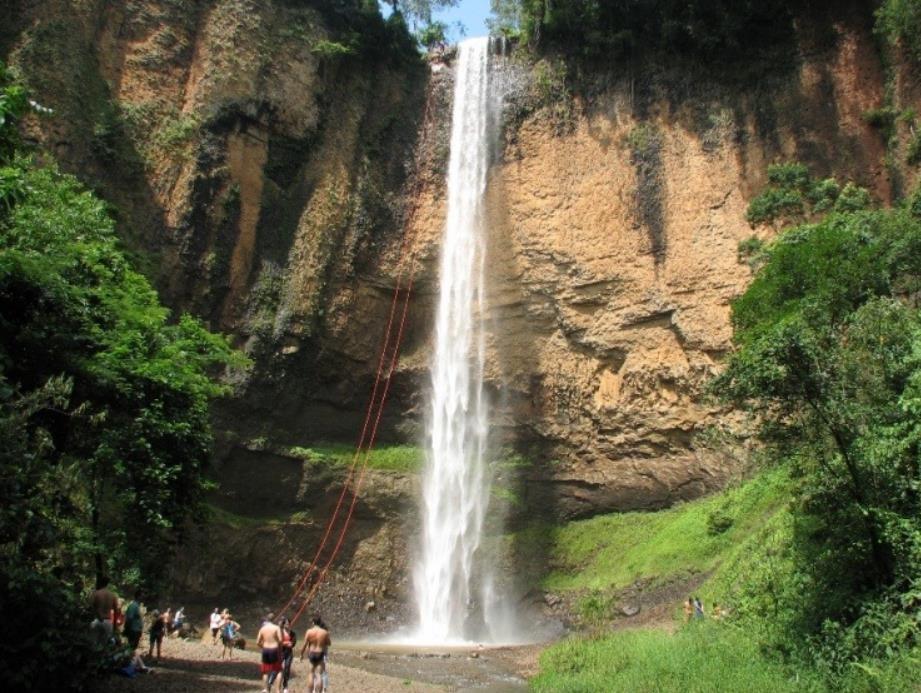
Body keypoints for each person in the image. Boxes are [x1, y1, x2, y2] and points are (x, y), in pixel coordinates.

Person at [300, 614, 331, 693]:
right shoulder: (324, 632)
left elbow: (304, 644)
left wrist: (301, 654)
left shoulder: (309, 631)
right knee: (319, 674)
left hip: (312, 653)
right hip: (320, 652)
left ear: (313, 622)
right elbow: (329, 643)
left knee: (311, 673)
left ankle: (310, 691)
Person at [257, 612, 283, 693]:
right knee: (278, 670)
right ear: (274, 619)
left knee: (265, 671)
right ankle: (277, 690)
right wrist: (279, 648)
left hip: (265, 650)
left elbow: (258, 642)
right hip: (274, 649)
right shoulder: (276, 628)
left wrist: (263, 647)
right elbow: (281, 640)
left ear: (267, 619)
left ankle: (267, 690)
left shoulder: (262, 629)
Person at [90, 576, 120, 644]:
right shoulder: (112, 595)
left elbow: (91, 607)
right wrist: (115, 625)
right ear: (107, 584)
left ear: (100, 583)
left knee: (94, 644)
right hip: (108, 622)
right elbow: (116, 611)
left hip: (96, 620)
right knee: (105, 645)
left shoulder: (96, 594)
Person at [278, 616, 297, 693]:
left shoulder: (292, 633)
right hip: (281, 652)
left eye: (288, 624)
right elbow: (277, 642)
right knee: (278, 668)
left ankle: (285, 685)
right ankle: (273, 683)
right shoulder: (280, 632)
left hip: (289, 653)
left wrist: (291, 644)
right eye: (286, 624)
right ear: (283, 624)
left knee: (287, 668)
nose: (287, 625)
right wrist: (285, 644)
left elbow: (294, 642)